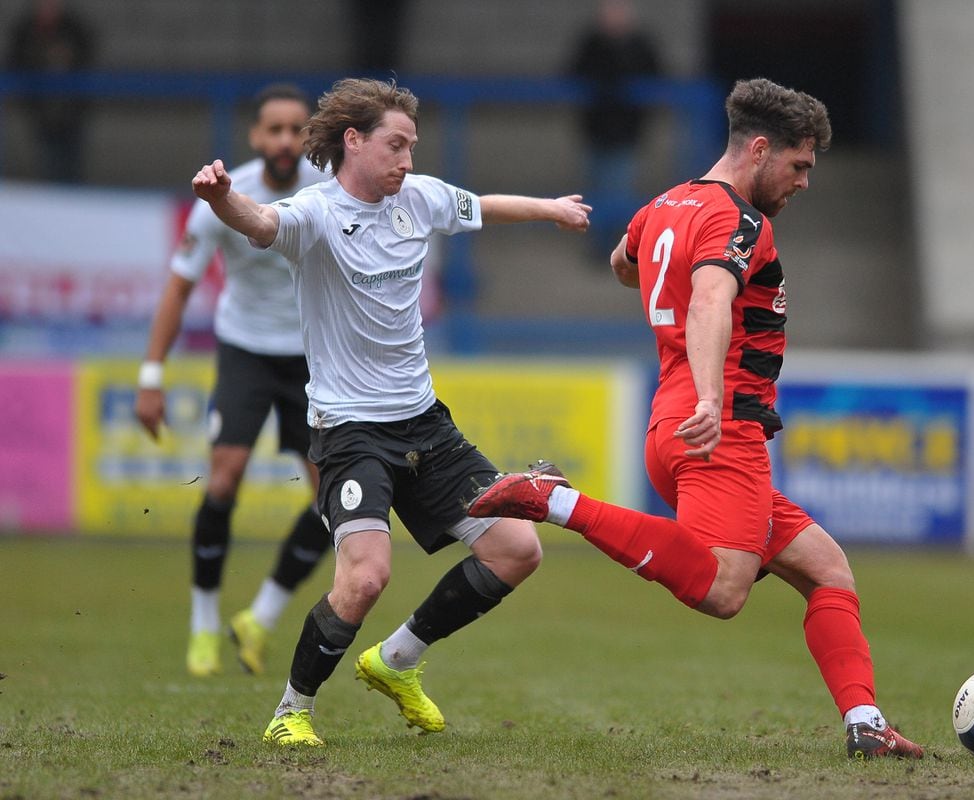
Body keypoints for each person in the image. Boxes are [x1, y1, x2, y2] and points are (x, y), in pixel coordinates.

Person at [468, 77, 925, 761]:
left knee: (827, 571)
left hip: (670, 421)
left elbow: (627, 264)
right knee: (722, 589)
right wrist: (713, 398)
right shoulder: (740, 221)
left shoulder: (665, 204)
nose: (803, 182)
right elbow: (711, 298)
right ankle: (551, 499)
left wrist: (678, 310)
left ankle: (865, 722)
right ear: (761, 149)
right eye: (799, 166)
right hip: (718, 428)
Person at [189, 77, 591, 747]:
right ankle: (291, 712)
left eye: (412, 146)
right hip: (350, 431)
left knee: (518, 549)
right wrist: (223, 196)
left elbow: (481, 205)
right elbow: (262, 223)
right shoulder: (316, 214)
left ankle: (397, 660)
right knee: (368, 574)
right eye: (396, 145)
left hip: (426, 425)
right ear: (354, 141)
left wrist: (551, 208)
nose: (408, 160)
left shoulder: (420, 198)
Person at [136, 83, 331, 679]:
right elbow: (179, 287)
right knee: (223, 478)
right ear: (255, 136)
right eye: (273, 129)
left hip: (311, 361)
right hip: (244, 350)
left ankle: (261, 617)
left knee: (331, 502)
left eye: (297, 129)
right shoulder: (220, 196)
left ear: (309, 136)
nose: (284, 140)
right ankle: (203, 627)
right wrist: (151, 376)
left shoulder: (327, 194)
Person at [567, 0, 661, 256]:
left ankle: (619, 246)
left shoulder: (641, 45)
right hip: (595, 131)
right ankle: (598, 244)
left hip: (626, 133)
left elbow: (656, 79)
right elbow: (573, 75)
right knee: (595, 189)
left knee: (619, 187)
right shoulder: (591, 44)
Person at [5, 0, 94, 183]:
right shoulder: (25, 30)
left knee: (71, 164)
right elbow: (14, 63)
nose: (48, 8)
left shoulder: (74, 28)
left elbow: (88, 58)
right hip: (42, 112)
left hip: (71, 111)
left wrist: (67, 60)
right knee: (48, 164)